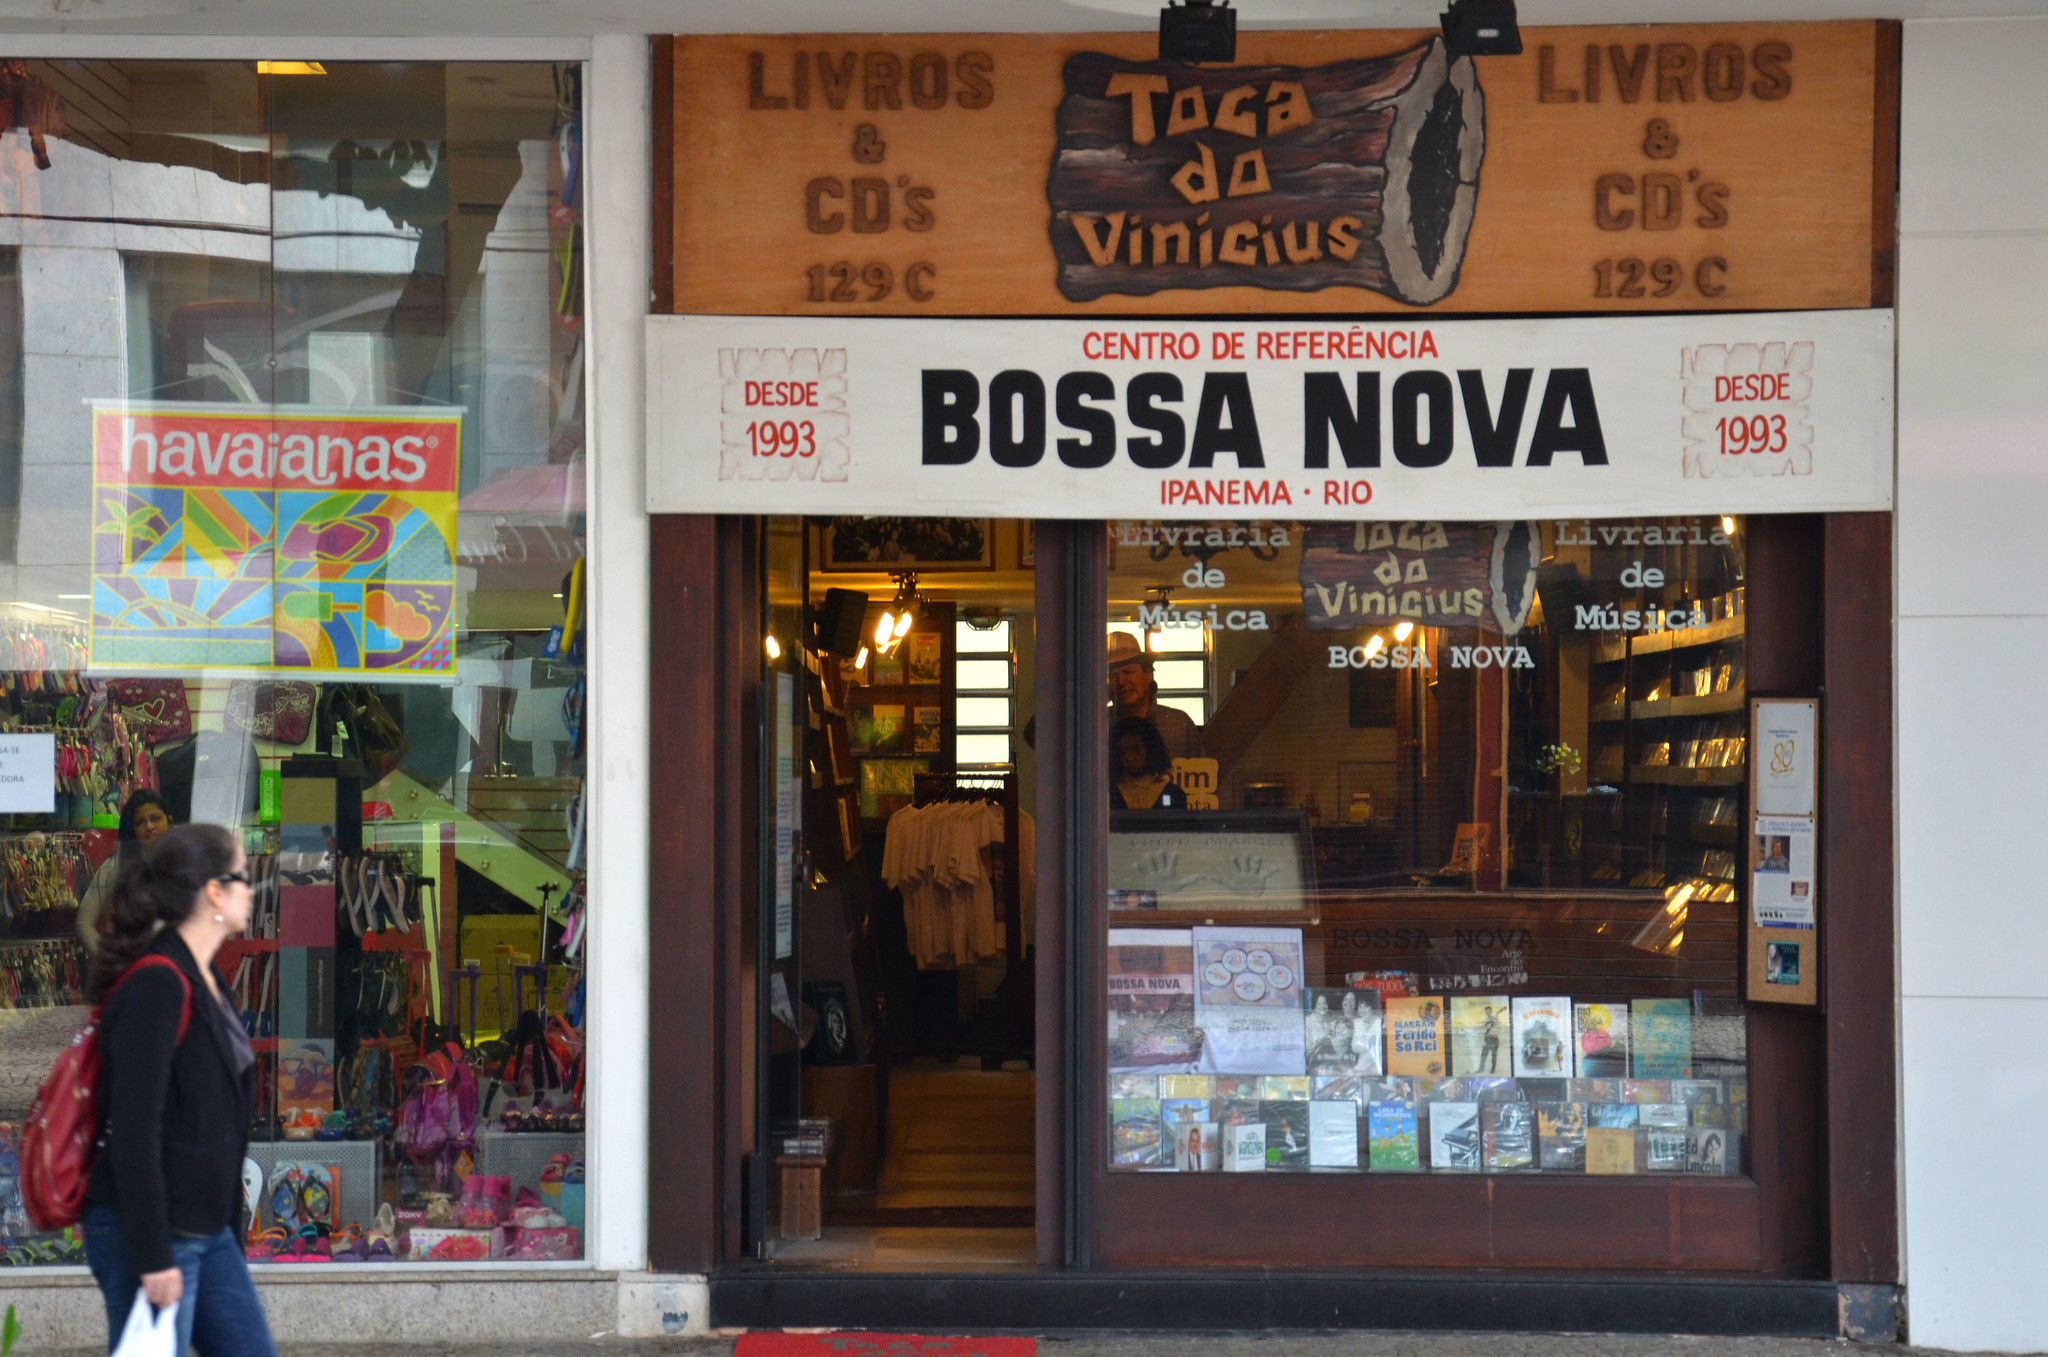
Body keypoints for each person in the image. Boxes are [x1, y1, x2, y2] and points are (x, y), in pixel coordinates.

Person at [82, 823, 272, 1357]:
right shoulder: (157, 983)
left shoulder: (207, 976)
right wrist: (153, 1254)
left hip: (208, 1230)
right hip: (152, 1231)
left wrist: (226, 1230)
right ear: (215, 891)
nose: (252, 890)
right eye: (244, 877)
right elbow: (133, 1130)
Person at [75, 790, 173, 951]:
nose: (149, 826)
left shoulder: (183, 866)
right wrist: (111, 963)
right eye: (140, 822)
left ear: (169, 821)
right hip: (133, 968)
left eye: (155, 818)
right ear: (132, 830)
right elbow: (83, 923)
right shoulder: (114, 867)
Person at [1107, 632, 1202, 762]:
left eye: (1129, 672)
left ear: (1148, 674)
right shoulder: (1097, 727)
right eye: (1112, 676)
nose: (1121, 681)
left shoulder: (1178, 725)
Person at [1110, 716, 1186, 811]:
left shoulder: (1174, 793)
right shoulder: (1108, 794)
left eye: (1135, 749)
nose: (1129, 757)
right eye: (1123, 751)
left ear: (1150, 750)